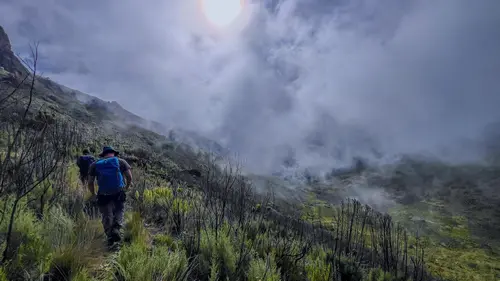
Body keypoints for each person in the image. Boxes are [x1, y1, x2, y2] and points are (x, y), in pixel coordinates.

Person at [88, 146, 132, 250]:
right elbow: (129, 177)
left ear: (103, 155)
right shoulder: (121, 161)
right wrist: (126, 187)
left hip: (103, 193)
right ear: (114, 153)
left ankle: (110, 237)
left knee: (106, 214)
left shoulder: (95, 164)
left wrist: (93, 194)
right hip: (118, 191)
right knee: (119, 210)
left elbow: (90, 182)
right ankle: (116, 228)